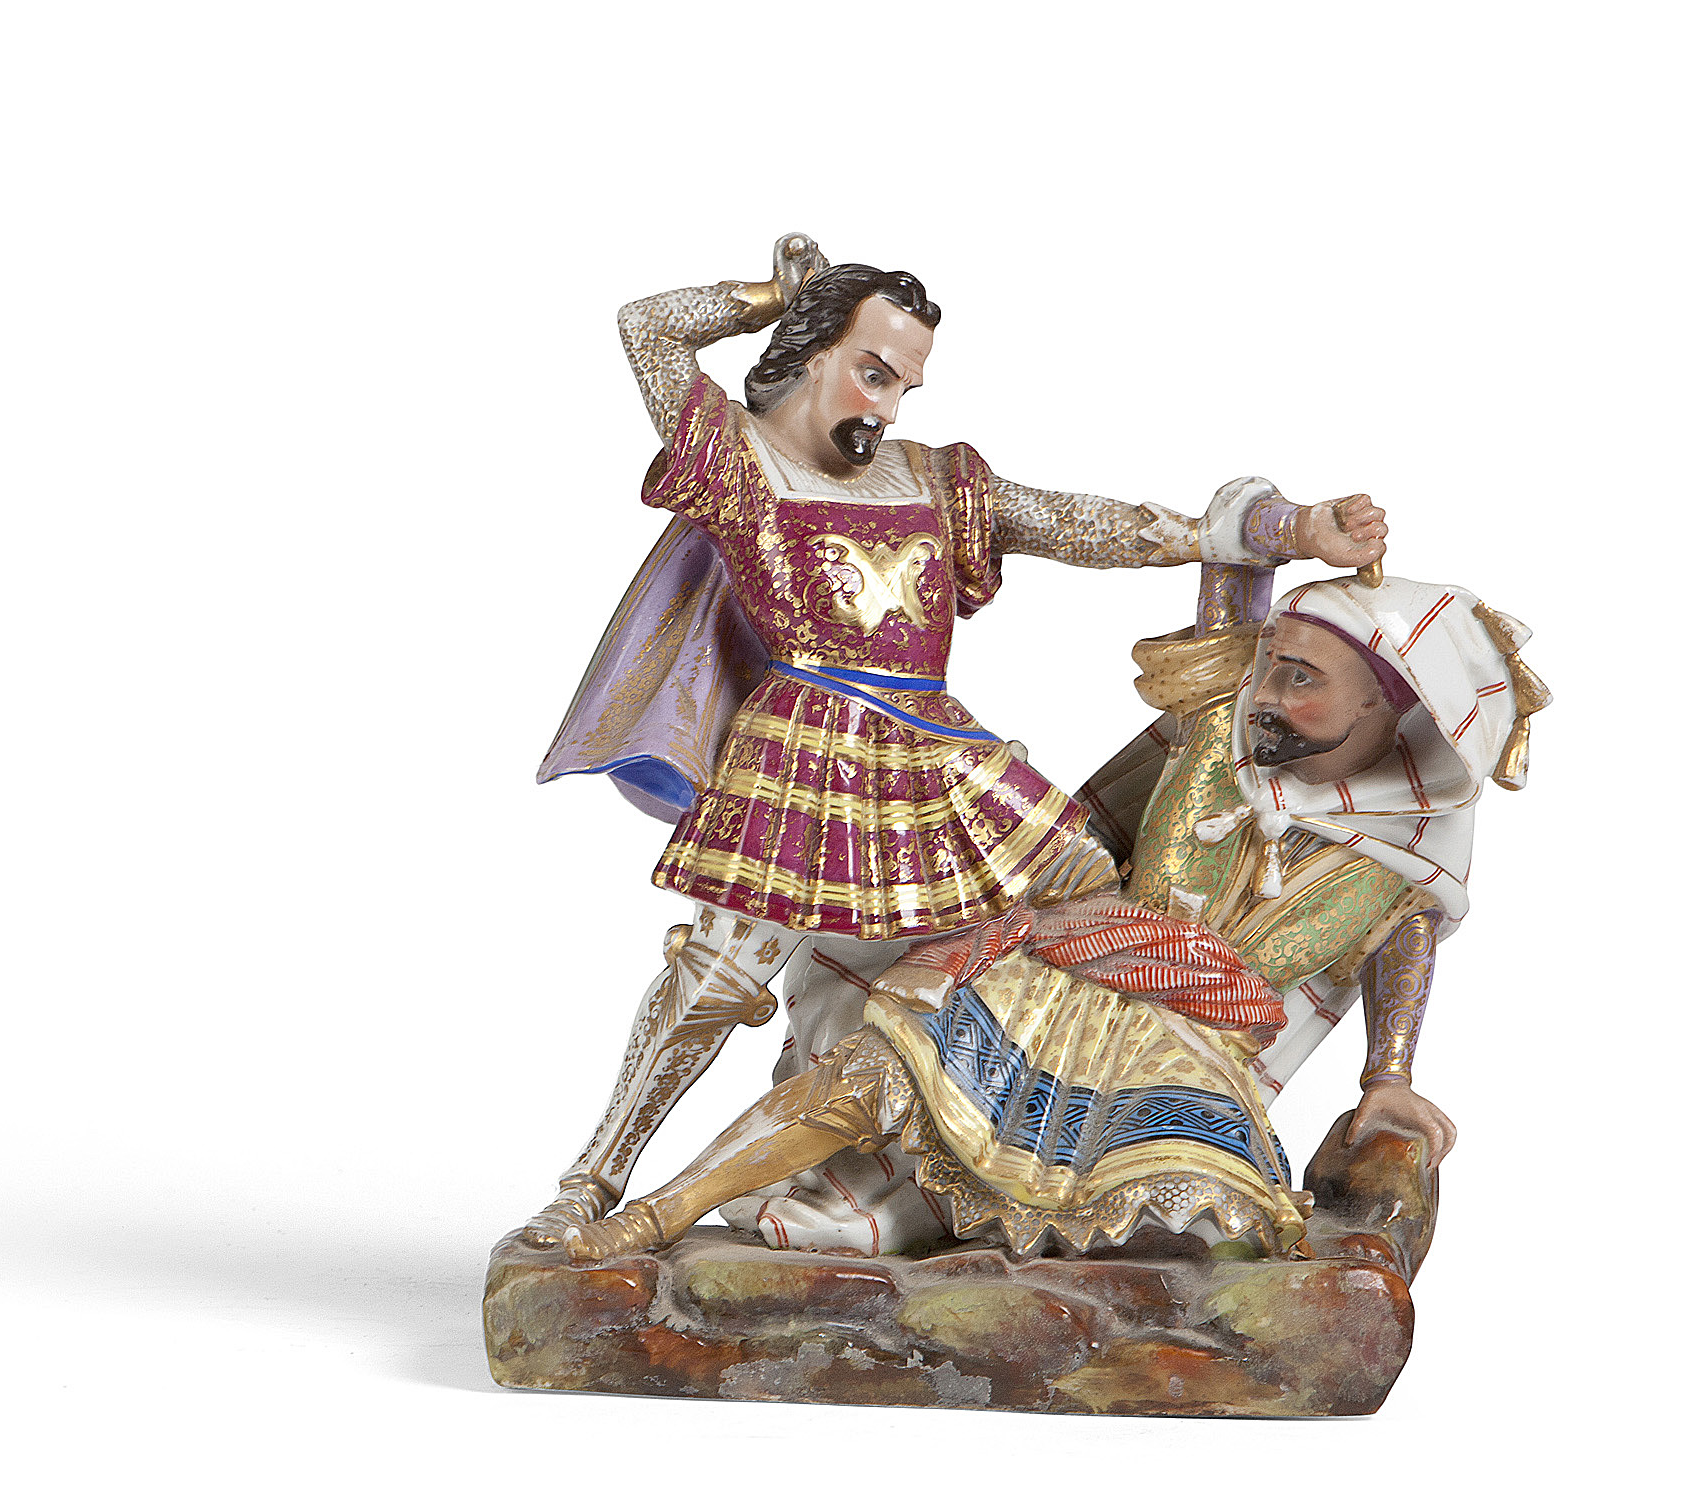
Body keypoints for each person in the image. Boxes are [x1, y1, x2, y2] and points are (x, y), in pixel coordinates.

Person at [522, 235, 1390, 1248]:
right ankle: (593, 1179)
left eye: (904, 386)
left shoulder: (931, 479)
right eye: (873, 372)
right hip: (804, 753)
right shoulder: (739, 461)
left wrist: (1279, 532)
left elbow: (1075, 523)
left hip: (941, 761)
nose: (888, 409)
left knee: (1086, 908)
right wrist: (770, 293)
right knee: (714, 977)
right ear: (810, 351)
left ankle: (1018, 1154)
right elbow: (646, 326)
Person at [563, 572, 1546, 1262]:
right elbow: (1223, 575)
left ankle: (946, 1240)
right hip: (1059, 966)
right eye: (1274, 664)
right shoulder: (1214, 730)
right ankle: (654, 1216)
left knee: (1191, 1228)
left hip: (1187, 1054)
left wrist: (1387, 1078)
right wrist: (1280, 525)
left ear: (1388, 705)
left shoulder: (1403, 859)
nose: (1269, 694)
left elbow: (1399, 956)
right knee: (868, 1072)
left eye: (1303, 679)